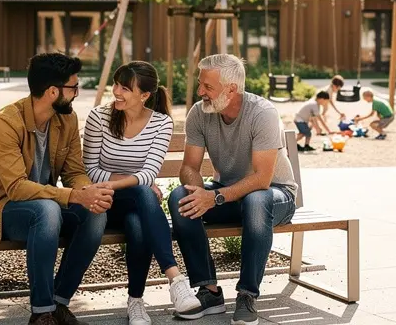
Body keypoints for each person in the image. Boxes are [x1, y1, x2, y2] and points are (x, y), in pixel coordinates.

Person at [0, 52, 115, 325]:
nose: (76, 93)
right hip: (2, 208)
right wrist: (73, 195)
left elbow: (74, 172)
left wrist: (89, 194)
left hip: (45, 207)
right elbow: (15, 188)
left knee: (95, 213)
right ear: (52, 91)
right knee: (47, 210)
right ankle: (41, 313)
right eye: (73, 87)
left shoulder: (67, 120)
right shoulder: (6, 122)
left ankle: (58, 303)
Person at [168, 54, 298, 325]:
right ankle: (210, 291)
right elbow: (189, 166)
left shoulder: (262, 113)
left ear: (231, 89)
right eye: (200, 84)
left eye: (207, 87)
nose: (200, 92)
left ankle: (247, 295)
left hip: (275, 195)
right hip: (228, 194)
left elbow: (263, 179)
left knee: (256, 200)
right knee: (180, 197)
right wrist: (197, 190)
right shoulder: (199, 113)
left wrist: (213, 197)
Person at [81, 61, 201, 325]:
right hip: (101, 202)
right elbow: (89, 169)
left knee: (138, 223)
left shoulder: (161, 123)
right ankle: (175, 280)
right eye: (116, 85)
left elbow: (149, 174)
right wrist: (129, 182)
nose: (117, 92)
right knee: (144, 194)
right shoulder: (98, 117)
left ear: (145, 95)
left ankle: (136, 303)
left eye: (125, 88)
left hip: (136, 206)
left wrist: (133, 183)